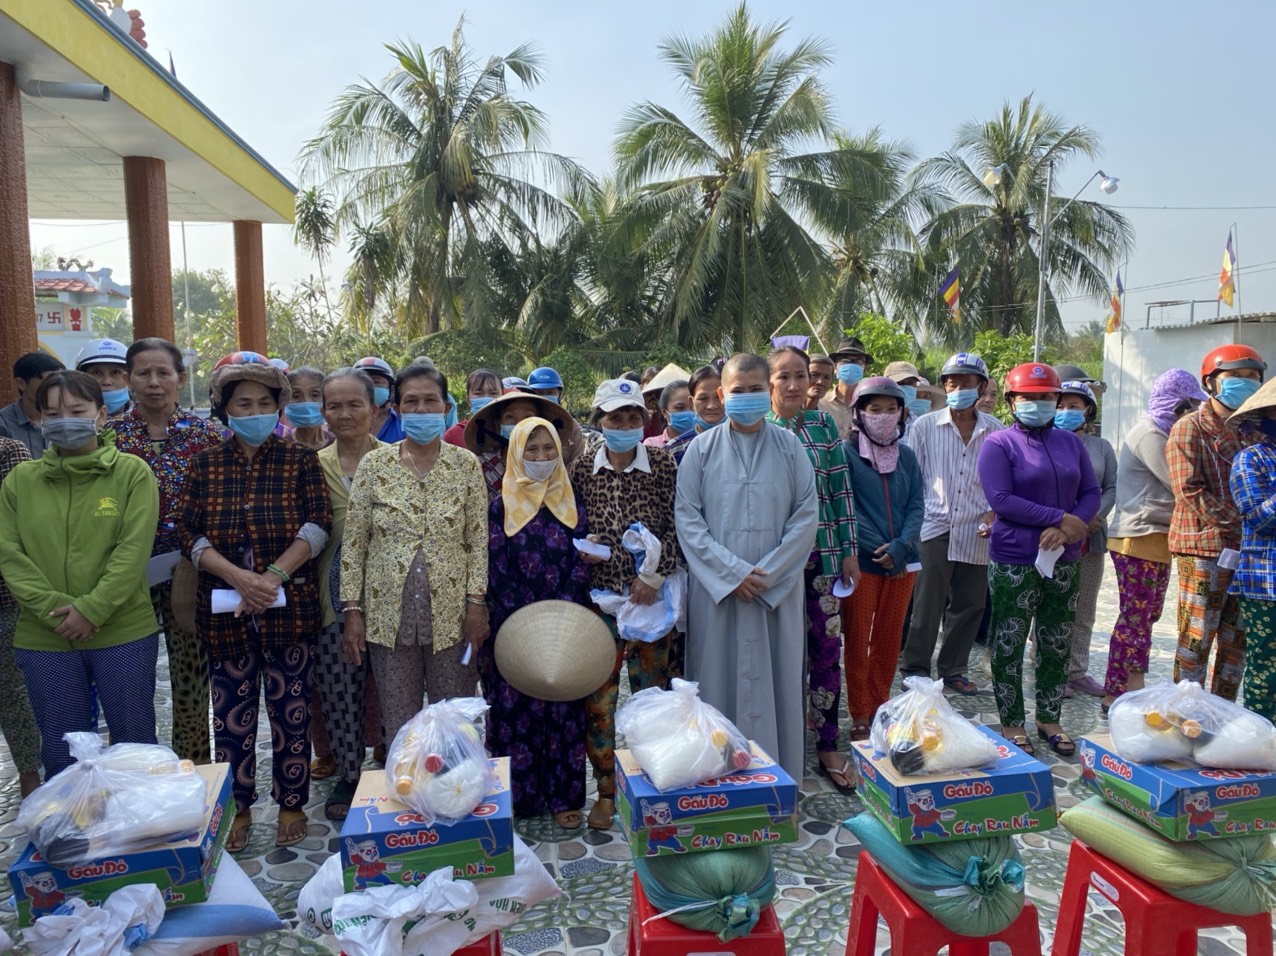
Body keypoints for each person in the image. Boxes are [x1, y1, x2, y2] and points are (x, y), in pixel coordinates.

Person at [176, 352, 332, 850]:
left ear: (278, 407)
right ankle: (237, 806)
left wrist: (272, 576)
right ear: (223, 409)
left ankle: (291, 802)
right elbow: (189, 532)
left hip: (290, 609)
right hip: (224, 613)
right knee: (231, 714)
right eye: (243, 404)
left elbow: (318, 524)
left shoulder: (301, 462)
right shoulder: (203, 466)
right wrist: (241, 578)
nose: (255, 411)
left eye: (265, 402)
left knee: (291, 712)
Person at [0, 371, 160, 776]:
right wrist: (57, 609)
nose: (63, 420)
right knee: (61, 751)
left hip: (122, 629)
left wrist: (92, 608)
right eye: (52, 412)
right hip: (45, 635)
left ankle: (144, 835)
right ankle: (73, 836)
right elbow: (9, 553)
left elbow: (132, 550)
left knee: (134, 745)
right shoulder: (21, 481)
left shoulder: (132, 473)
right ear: (39, 420)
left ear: (101, 415)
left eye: (76, 410)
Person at [677, 354, 818, 783]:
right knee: (717, 683)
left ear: (769, 392)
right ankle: (718, 776)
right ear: (722, 395)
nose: (748, 397)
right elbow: (688, 520)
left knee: (779, 682)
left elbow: (806, 514)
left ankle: (777, 779)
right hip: (719, 596)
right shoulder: (699, 451)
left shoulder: (791, 447)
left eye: (757, 389)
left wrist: (767, 575)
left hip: (778, 592)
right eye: (738, 391)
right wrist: (732, 574)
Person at [340, 362, 488, 749]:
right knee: (400, 717)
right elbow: (355, 543)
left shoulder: (465, 465)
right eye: (411, 402)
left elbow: (477, 541)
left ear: (445, 407)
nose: (421, 410)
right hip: (388, 615)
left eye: (430, 401)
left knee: (454, 716)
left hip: (453, 616)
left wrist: (476, 606)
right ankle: (408, 793)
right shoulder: (375, 465)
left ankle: (456, 790)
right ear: (396, 408)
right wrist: (352, 611)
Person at [107, 338, 224, 764]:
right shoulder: (109, 439)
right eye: (143, 373)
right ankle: (137, 767)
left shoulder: (209, 436)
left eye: (163, 373)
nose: (153, 383)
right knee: (128, 681)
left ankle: (194, 768)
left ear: (181, 379)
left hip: (191, 573)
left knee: (191, 678)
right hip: (125, 578)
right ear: (128, 379)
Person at [570, 379, 680, 829]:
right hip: (600, 605)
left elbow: (681, 525)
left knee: (653, 698)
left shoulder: (662, 462)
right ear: (600, 421)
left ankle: (652, 782)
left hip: (652, 602)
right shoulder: (580, 470)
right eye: (616, 418)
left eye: (634, 417)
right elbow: (569, 525)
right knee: (600, 702)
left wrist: (653, 576)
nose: (626, 425)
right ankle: (606, 791)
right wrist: (583, 543)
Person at [979, 363, 1100, 757]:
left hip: (1064, 557)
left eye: (1046, 396)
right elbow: (1001, 499)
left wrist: (1069, 528)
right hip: (1015, 557)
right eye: (1029, 397)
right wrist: (1055, 517)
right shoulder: (999, 444)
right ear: (1013, 401)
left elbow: (1091, 492)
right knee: (1009, 639)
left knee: (1056, 638)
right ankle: (1012, 721)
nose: (1039, 403)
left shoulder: (1071, 443)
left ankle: (1049, 717)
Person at [485, 417, 591, 827]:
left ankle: (564, 795)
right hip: (514, 625)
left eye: (549, 449)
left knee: (565, 705)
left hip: (567, 623)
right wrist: (529, 617)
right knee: (514, 709)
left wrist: (560, 611)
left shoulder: (572, 500)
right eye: (532, 449)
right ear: (516, 453)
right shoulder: (500, 505)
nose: (542, 457)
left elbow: (584, 556)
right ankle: (519, 796)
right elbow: (494, 566)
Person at [766, 347, 859, 793]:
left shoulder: (823, 426)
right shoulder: (756, 429)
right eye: (783, 376)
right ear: (769, 383)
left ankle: (825, 744)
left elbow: (840, 492)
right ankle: (774, 743)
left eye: (800, 375)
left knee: (825, 652)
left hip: (821, 559)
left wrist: (848, 550)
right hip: (773, 565)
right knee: (775, 657)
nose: (793, 384)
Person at [1103, 369, 1207, 712]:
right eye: (1190, 406)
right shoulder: (1149, 433)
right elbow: (1178, 482)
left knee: (1145, 616)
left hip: (1156, 538)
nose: (1194, 413)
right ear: (1177, 405)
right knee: (1135, 617)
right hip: (1139, 535)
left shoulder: (1162, 432)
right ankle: (1119, 691)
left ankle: (1129, 685)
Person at [900, 353, 1002, 693]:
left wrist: (994, 511)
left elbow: (1003, 480)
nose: (958, 389)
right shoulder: (925, 426)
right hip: (934, 525)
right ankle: (915, 668)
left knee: (970, 604)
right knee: (927, 603)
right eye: (952, 383)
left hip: (978, 528)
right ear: (945, 386)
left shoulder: (996, 431)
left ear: (981, 388)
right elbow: (911, 476)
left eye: (967, 383)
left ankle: (953, 669)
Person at [1168, 344, 1266, 700]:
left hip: (1250, 553)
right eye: (1235, 376)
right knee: (1196, 636)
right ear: (1210, 382)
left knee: (1237, 640)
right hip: (1204, 547)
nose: (1246, 382)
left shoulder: (1256, 431)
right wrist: (1246, 524)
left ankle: (1222, 713)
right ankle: (1186, 713)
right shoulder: (1189, 427)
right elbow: (1189, 492)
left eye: (1252, 376)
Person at [312, 367, 381, 820]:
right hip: (330, 599)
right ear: (323, 413)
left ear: (374, 410)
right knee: (340, 686)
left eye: (354, 403)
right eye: (334, 405)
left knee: (394, 687)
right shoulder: (312, 467)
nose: (345, 413)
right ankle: (350, 772)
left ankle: (395, 763)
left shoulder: (398, 459)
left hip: (393, 595)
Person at [841, 378, 923, 741]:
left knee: (890, 639)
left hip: (905, 564)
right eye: (875, 409)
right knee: (858, 639)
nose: (884, 416)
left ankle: (880, 703)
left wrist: (902, 545)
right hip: (863, 562)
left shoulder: (907, 456)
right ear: (859, 413)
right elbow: (844, 504)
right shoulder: (845, 453)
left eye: (892, 409)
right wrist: (881, 546)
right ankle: (859, 710)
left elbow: (918, 504)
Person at [1053, 380, 1117, 698]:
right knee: (1054, 605)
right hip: (1054, 536)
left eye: (1074, 406)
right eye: (1061, 405)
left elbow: (1111, 488)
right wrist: (1069, 523)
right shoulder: (1046, 442)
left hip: (1091, 538)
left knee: (1084, 606)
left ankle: (1076, 670)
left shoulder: (1101, 447)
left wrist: (1093, 517)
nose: (1066, 412)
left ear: (1088, 410)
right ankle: (1050, 669)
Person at [1226, 378, 1276, 719]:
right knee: (1266, 668)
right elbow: (1258, 519)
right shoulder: (1250, 460)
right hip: (1265, 584)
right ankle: (1263, 740)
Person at [0, 438, 41, 796]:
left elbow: (19, 529)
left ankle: (31, 778)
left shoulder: (8, 453)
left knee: (12, 694)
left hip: (5, 597)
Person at [0, 352, 66, 456]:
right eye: (48, 383)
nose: (56, 390)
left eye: (60, 383)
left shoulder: (69, 419)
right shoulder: (3, 425)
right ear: (21, 383)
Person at [667, 365, 723, 462]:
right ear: (691, 402)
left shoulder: (745, 443)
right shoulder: (674, 451)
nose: (711, 406)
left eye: (718, 397)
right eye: (703, 398)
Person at [819, 337, 872, 438]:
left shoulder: (869, 405)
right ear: (835, 367)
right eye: (845, 361)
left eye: (858, 362)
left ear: (865, 369)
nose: (852, 365)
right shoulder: (820, 403)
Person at [444, 368, 503, 447]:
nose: (486, 398)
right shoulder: (454, 434)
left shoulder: (510, 431)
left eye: (493, 393)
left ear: (503, 397)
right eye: (478, 393)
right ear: (468, 399)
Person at [353, 356, 404, 443]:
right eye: (364, 383)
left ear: (390, 388)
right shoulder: (344, 420)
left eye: (376, 382)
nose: (370, 388)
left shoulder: (403, 423)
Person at [75, 338, 132, 415]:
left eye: (115, 372)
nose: (106, 382)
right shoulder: (70, 418)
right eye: (96, 373)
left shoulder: (146, 418)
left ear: (129, 378)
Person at [283, 367, 334, 450]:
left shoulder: (340, 445)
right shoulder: (280, 449)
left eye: (315, 395)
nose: (306, 402)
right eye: (296, 396)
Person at [644, 380, 695, 448]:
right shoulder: (652, 445)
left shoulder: (705, 441)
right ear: (664, 412)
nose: (689, 412)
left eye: (693, 407)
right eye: (680, 408)